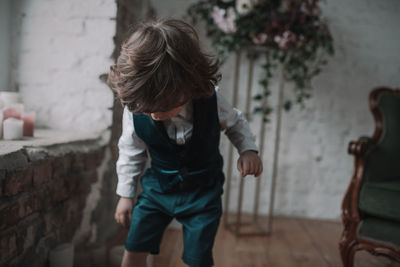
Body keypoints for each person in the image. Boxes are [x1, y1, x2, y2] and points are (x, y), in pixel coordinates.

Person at [108, 19, 263, 267]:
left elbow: (235, 123)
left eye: (163, 106)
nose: (155, 115)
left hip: (203, 193)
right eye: (149, 110)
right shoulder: (138, 107)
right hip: (157, 190)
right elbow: (131, 152)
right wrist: (125, 194)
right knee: (135, 244)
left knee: (198, 257)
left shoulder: (210, 99)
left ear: (190, 83)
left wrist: (248, 150)